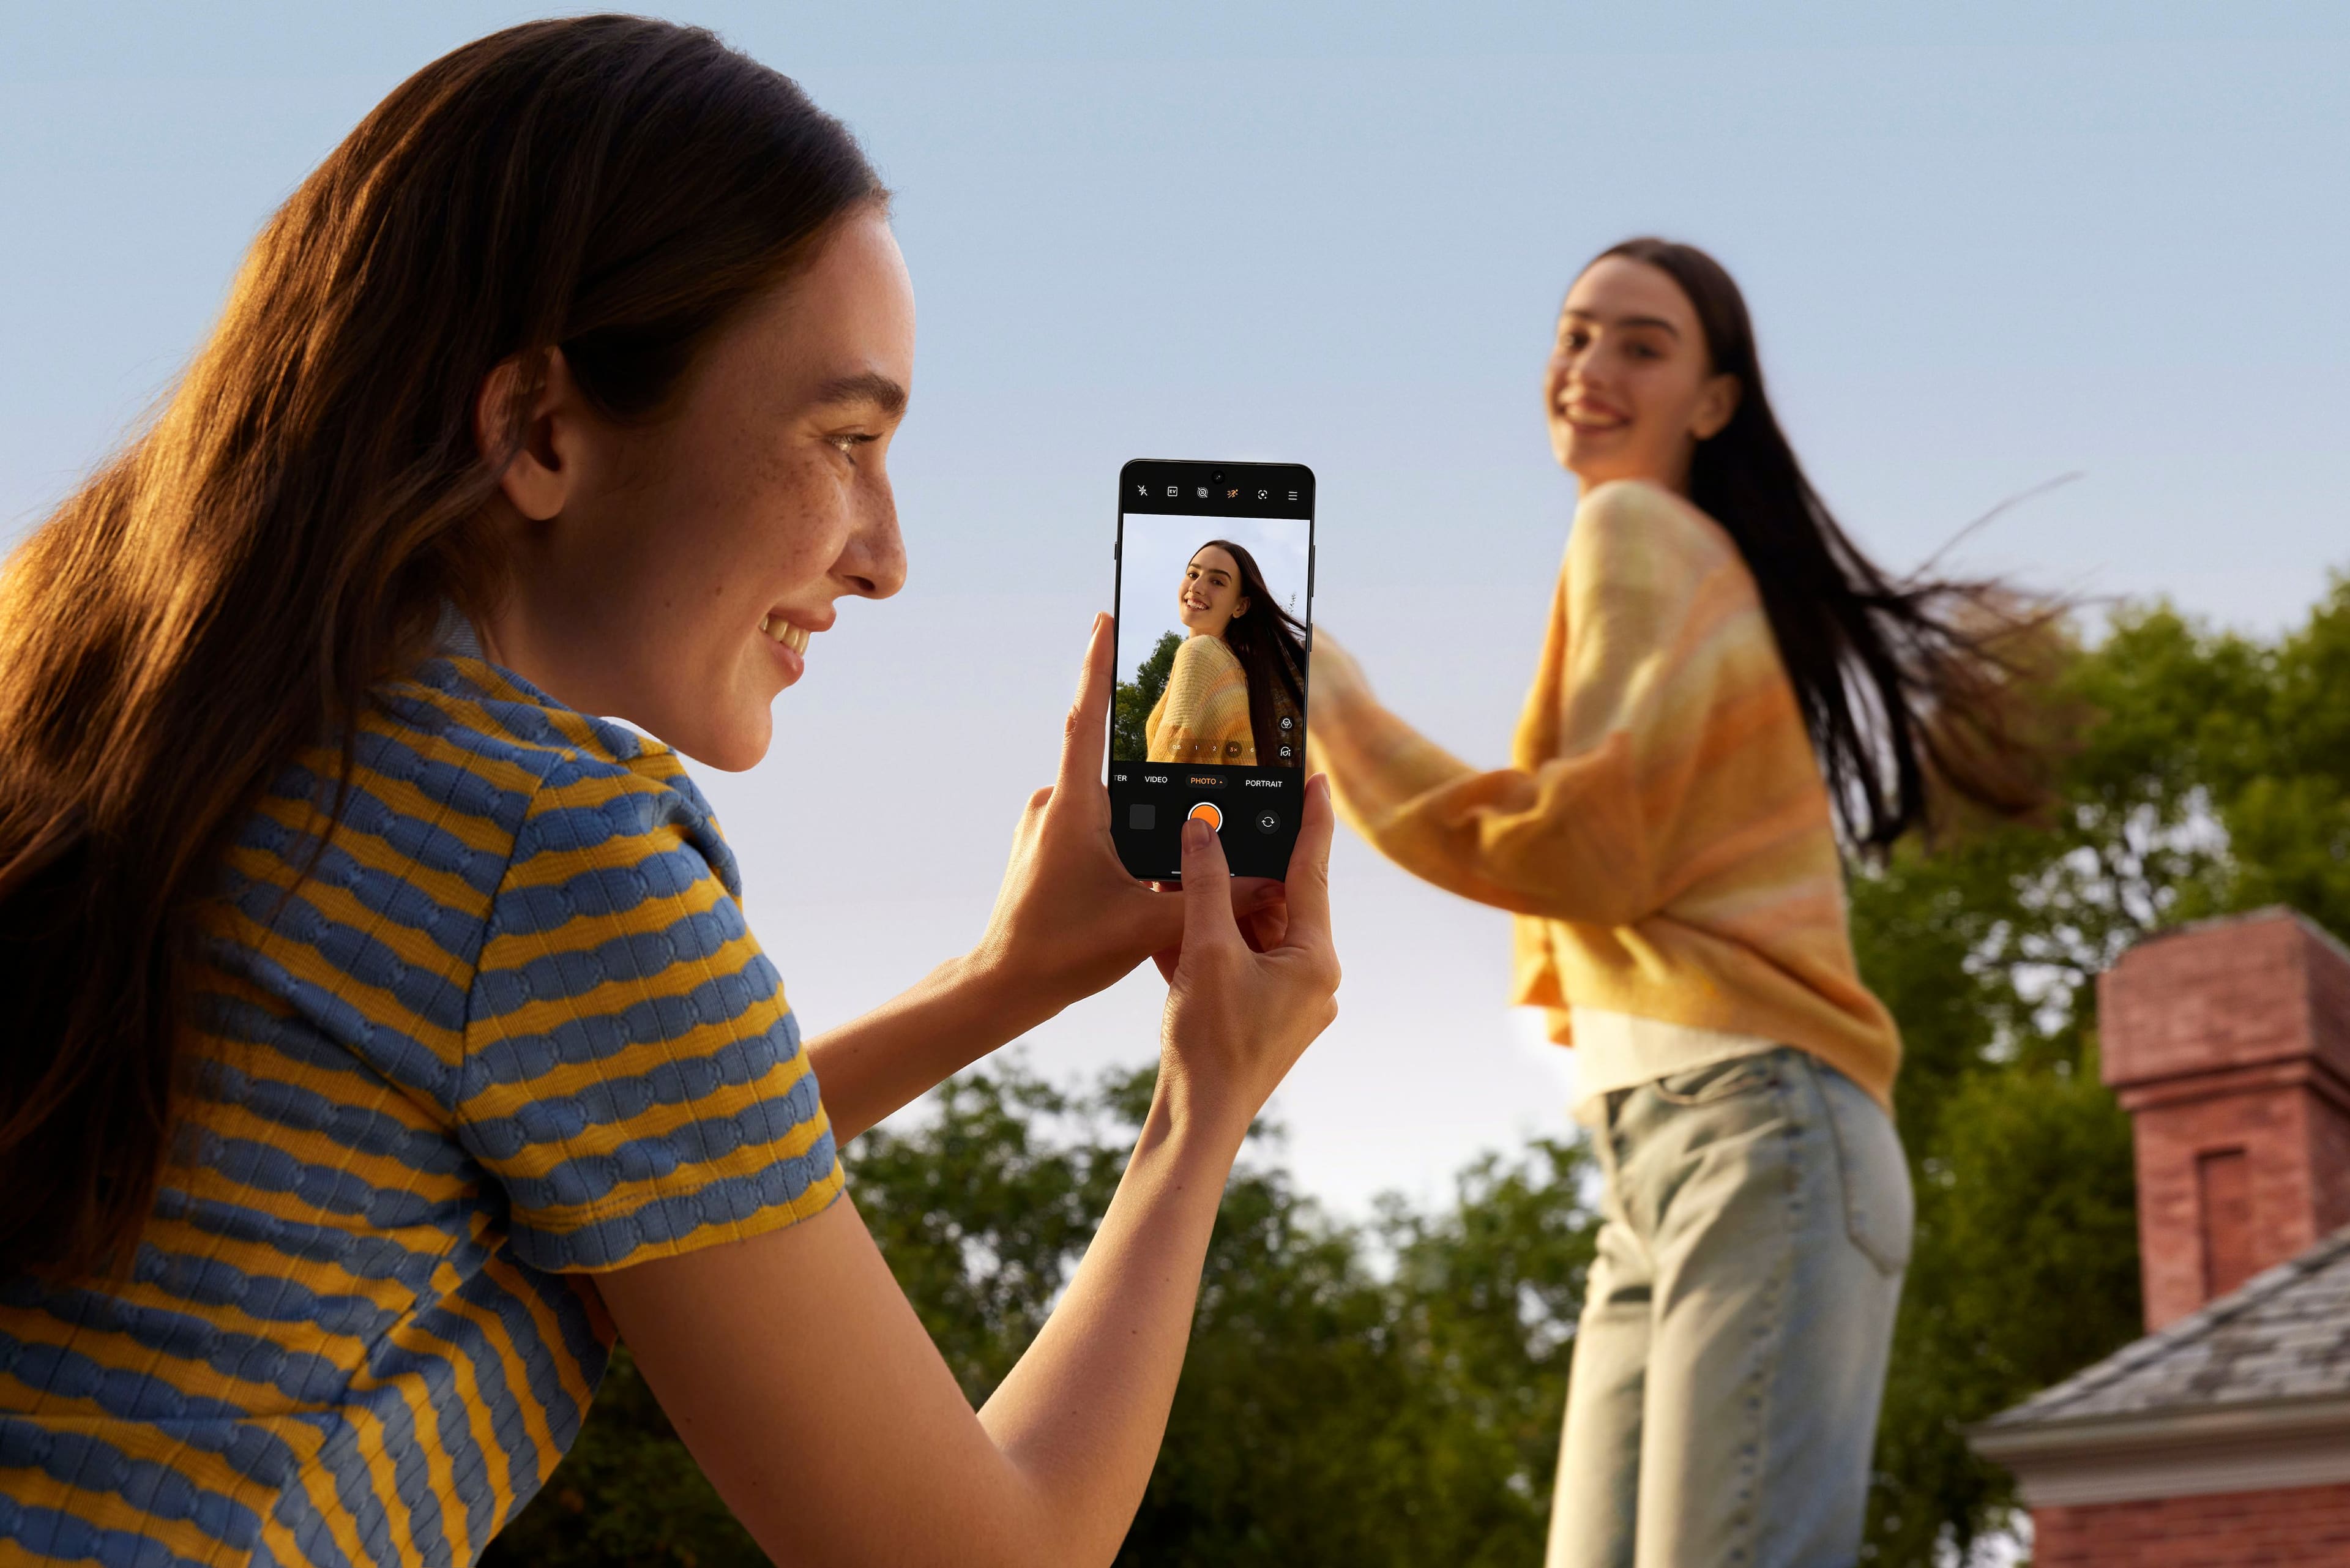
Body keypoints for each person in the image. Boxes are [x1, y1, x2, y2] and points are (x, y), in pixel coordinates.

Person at [0, 19, 1340, 1568]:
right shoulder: (543, 842)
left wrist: (999, 984)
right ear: (541, 431)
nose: (886, 556)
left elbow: (632, 1178)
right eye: (844, 440)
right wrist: (1203, 1106)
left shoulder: (155, 718)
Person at [1308, 238, 2053, 1567]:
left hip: (1754, 1133)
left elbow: (1591, 850)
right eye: (1575, 335)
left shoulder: (1635, 529)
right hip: (1672, 1157)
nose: (1590, 368)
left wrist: (1338, 714)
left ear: (1712, 402)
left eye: (1640, 346)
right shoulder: (1675, 556)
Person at [1146, 540, 1308, 768]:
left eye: (1217, 581)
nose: (1197, 587)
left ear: (1241, 606)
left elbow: (1169, 769)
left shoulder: (1201, 655)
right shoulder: (1242, 672)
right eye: (1193, 574)